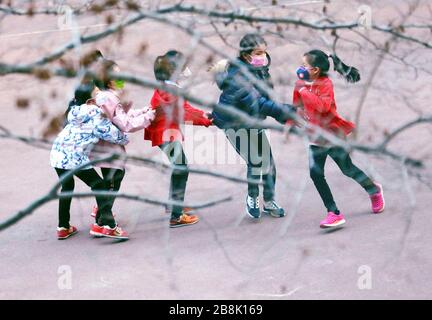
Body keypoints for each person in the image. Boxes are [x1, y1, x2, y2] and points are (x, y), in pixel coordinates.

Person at [292, 49, 385, 229]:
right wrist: (294, 116)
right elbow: (297, 104)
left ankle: (373, 189)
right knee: (316, 174)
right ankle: (333, 213)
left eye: (304, 66)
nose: (300, 68)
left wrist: (304, 91)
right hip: (315, 137)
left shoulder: (325, 84)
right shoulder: (300, 84)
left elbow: (323, 107)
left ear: (315, 70)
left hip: (332, 135)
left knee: (347, 169)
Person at [210, 33, 295, 219]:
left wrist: (285, 118)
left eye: (264, 52)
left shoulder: (261, 70)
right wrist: (289, 112)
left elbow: (268, 99)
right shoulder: (239, 78)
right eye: (258, 52)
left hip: (252, 121)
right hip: (234, 125)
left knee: (268, 162)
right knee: (256, 161)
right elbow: (260, 103)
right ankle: (253, 198)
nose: (262, 56)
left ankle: (270, 200)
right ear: (247, 55)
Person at [50, 83, 129, 240]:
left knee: (67, 187)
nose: (101, 95)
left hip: (57, 154)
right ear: (90, 101)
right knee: (98, 185)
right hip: (73, 157)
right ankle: (108, 225)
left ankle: (63, 226)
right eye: (97, 93)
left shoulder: (74, 110)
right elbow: (112, 134)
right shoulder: (95, 113)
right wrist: (124, 138)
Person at [144, 50, 212, 227]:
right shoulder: (170, 91)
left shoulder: (169, 87)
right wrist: (205, 120)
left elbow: (186, 107)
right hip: (165, 133)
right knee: (181, 168)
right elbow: (183, 113)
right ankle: (176, 215)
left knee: (179, 166)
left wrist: (204, 114)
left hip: (164, 131)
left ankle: (173, 203)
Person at [89, 59, 155, 219]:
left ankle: (102, 213)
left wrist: (144, 111)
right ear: (108, 80)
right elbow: (125, 123)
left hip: (103, 146)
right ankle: (104, 220)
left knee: (111, 179)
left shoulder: (106, 96)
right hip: (108, 148)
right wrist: (149, 116)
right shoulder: (109, 98)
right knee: (114, 179)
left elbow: (122, 115)